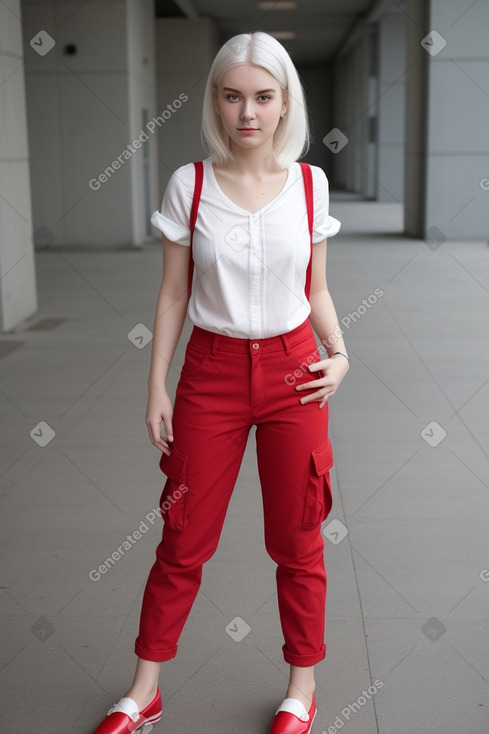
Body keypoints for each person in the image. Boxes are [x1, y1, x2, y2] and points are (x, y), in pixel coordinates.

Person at [92, 30, 349, 734]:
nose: (247, 113)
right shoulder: (190, 184)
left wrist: (341, 352)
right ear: (214, 99)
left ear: (283, 101)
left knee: (297, 539)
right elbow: (173, 296)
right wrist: (157, 386)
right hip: (210, 373)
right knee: (181, 537)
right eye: (232, 96)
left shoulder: (307, 182)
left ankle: (302, 689)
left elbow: (316, 288)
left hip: (296, 371)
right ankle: (144, 689)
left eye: (262, 98)